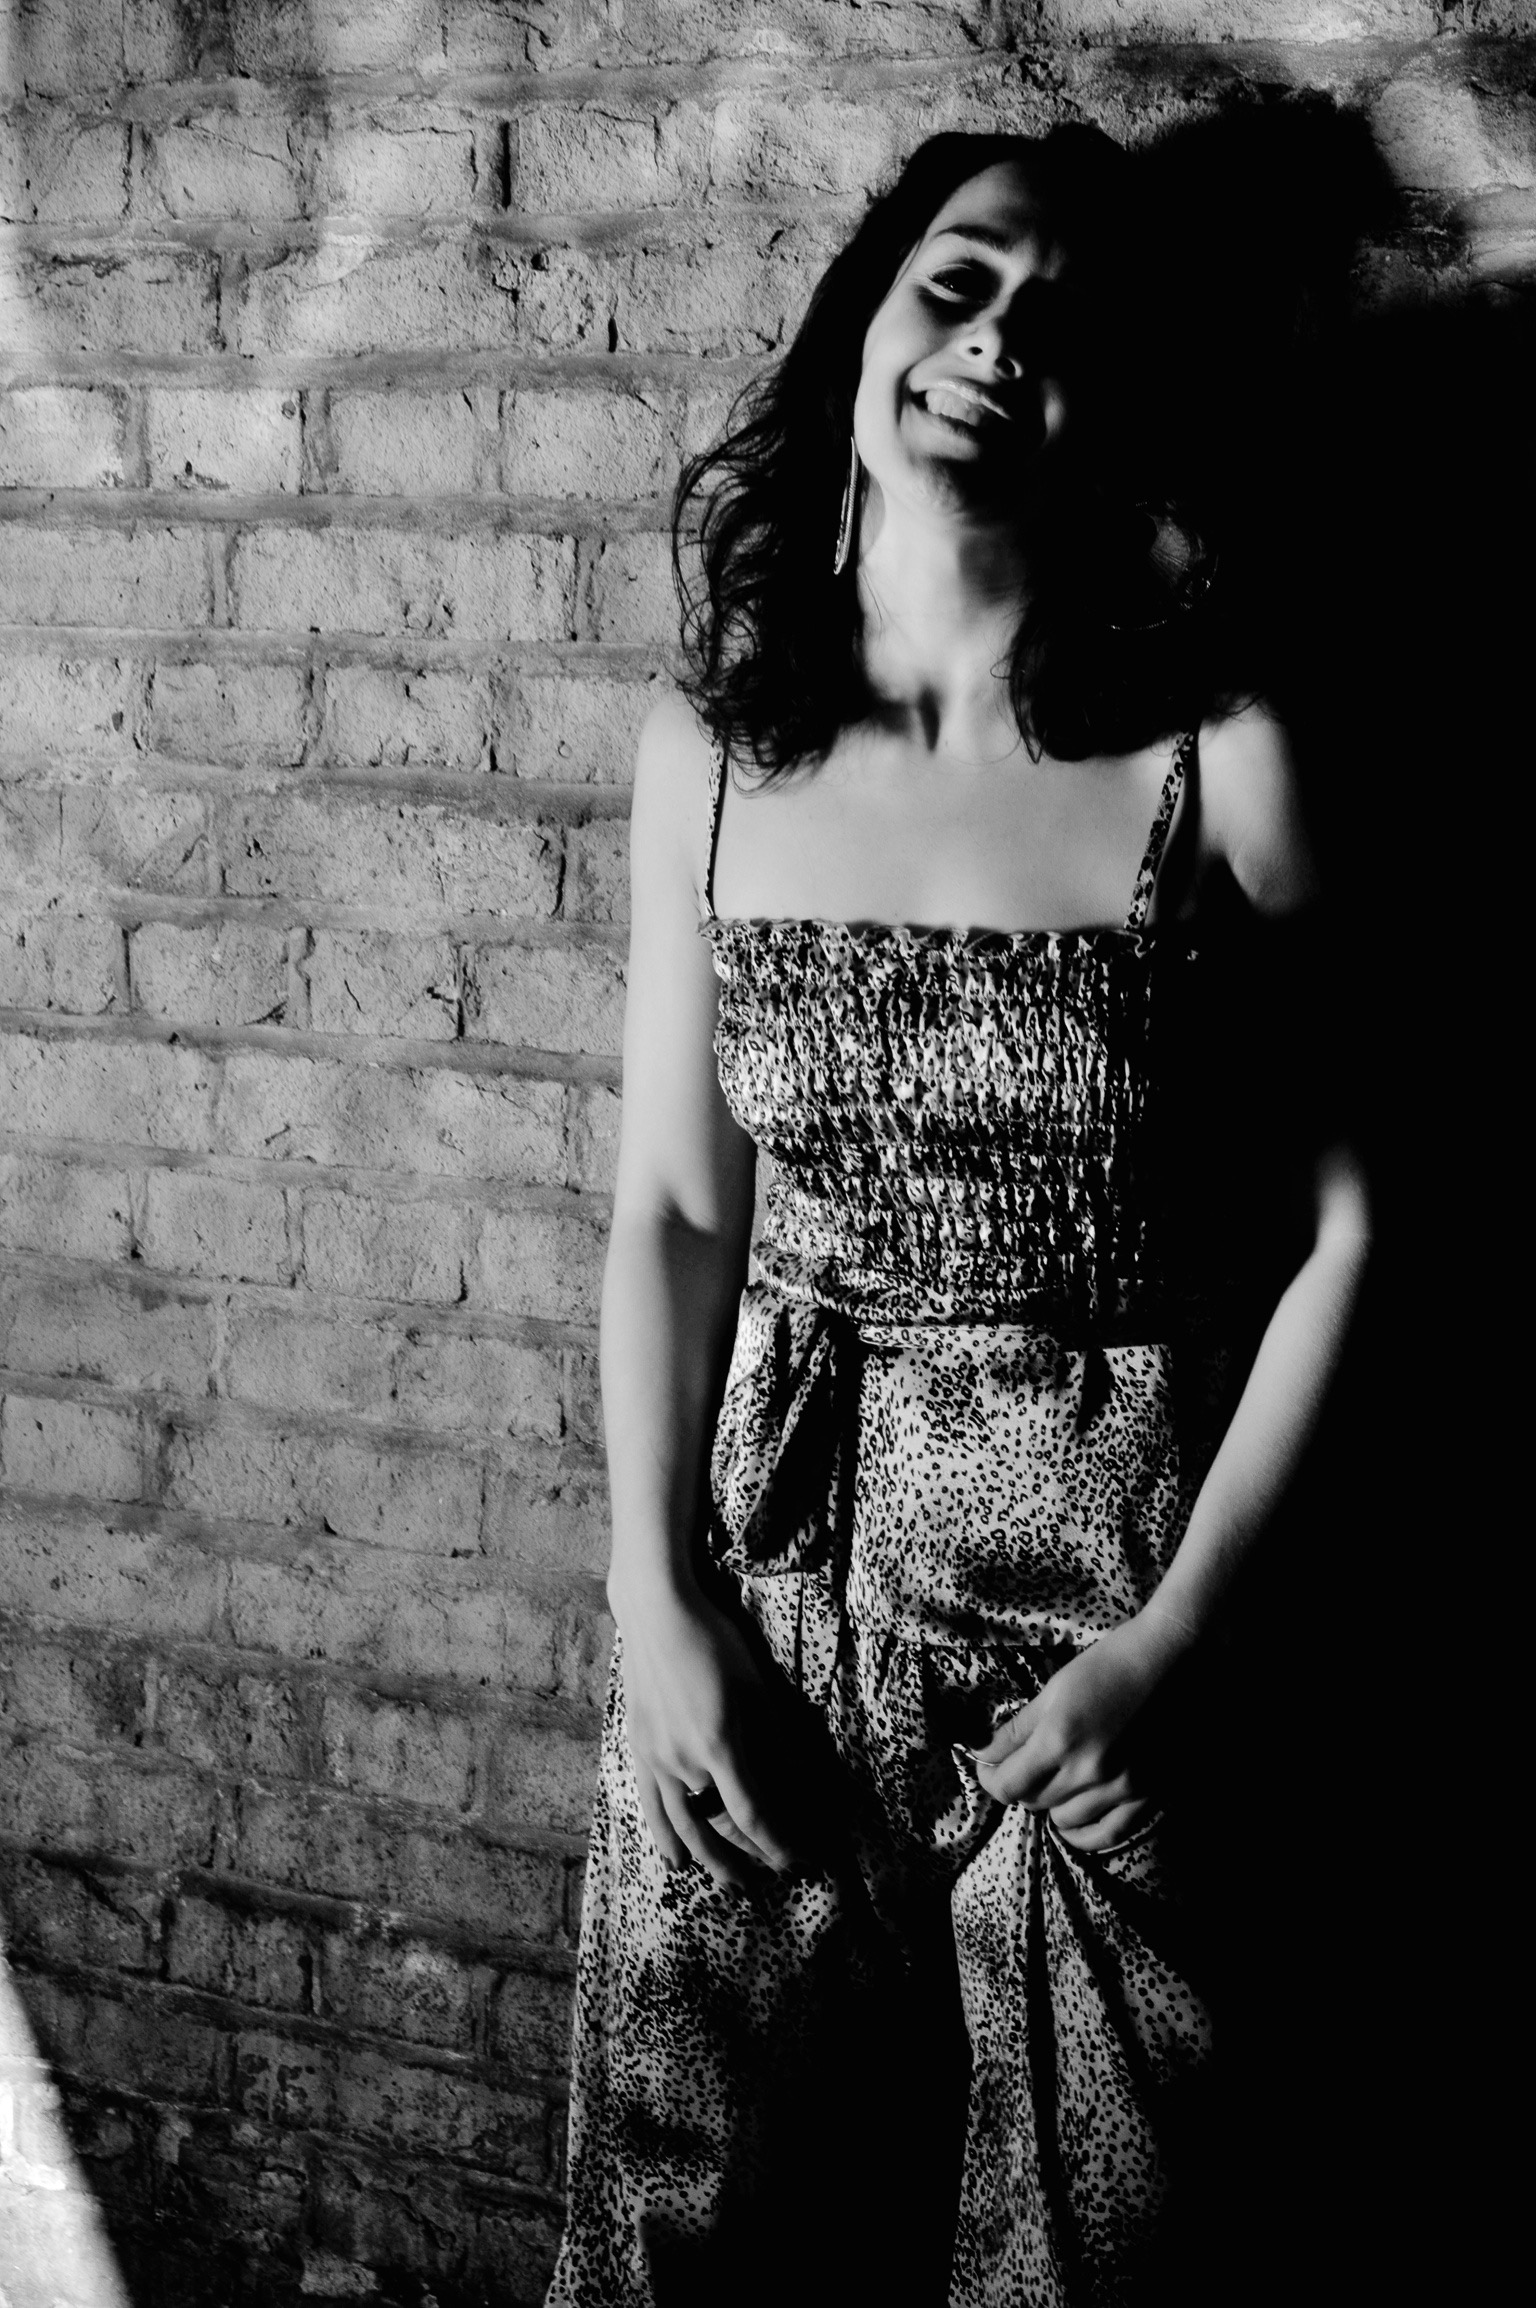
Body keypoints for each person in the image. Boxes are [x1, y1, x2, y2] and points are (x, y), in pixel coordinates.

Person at [544, 129, 1371, 2308]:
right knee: (685, 2245)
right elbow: (674, 1205)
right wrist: (654, 1588)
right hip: (770, 1604)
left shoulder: (1220, 757)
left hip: (1104, 1648)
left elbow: (1360, 1234)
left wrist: (1177, 1657)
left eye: (1065, 324)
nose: (999, 339)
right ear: (866, 326)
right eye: (962, 279)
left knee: (1085, 2267)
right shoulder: (711, 748)